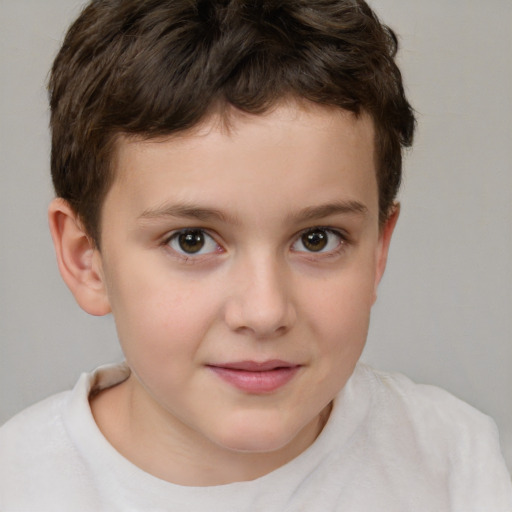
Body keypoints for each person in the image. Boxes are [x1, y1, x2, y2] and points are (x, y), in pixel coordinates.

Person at [0, 0, 510, 510]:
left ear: (378, 249)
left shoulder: (451, 458)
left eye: (317, 239)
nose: (264, 312)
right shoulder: (18, 484)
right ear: (87, 258)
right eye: (192, 240)